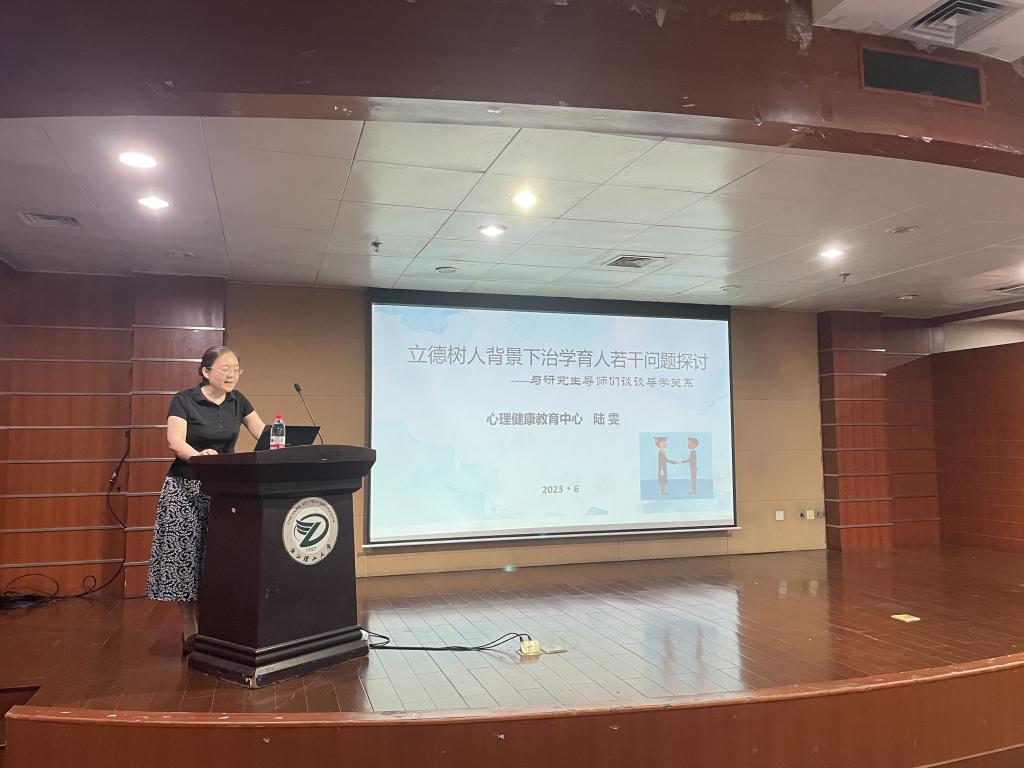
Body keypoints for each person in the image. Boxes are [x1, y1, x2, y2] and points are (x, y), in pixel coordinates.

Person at [146, 345, 265, 655]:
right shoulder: (184, 400)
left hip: (225, 490)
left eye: (236, 369)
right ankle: (190, 627)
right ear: (205, 372)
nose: (231, 374)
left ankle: (220, 623)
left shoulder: (239, 401)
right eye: (225, 368)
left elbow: (264, 435)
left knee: (223, 557)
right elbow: (175, 441)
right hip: (185, 488)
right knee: (185, 558)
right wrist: (201, 458)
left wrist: (285, 445)